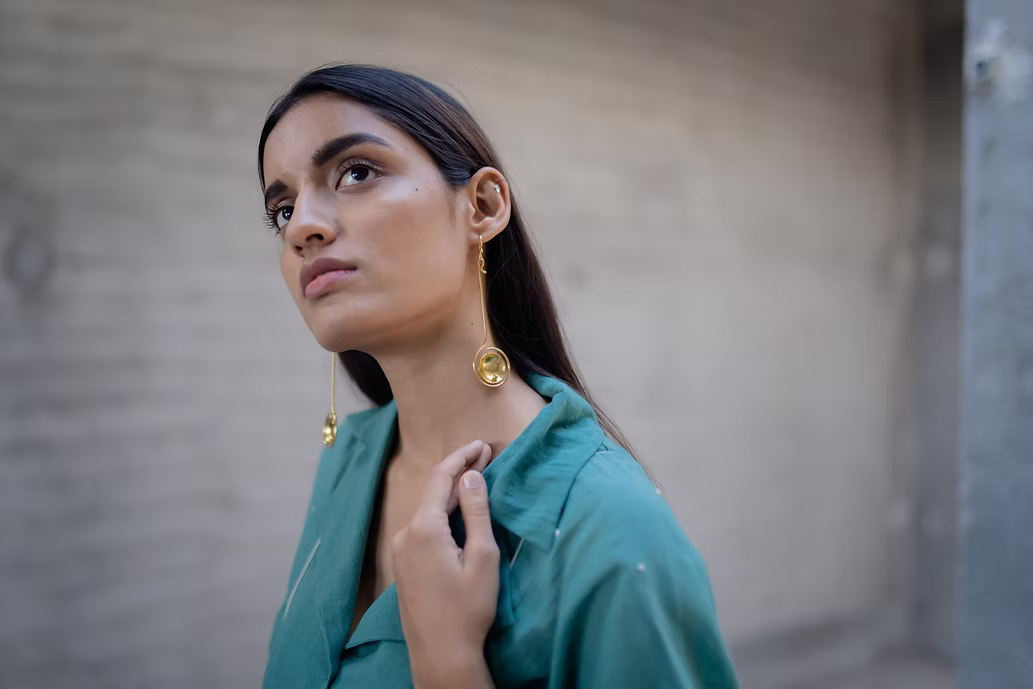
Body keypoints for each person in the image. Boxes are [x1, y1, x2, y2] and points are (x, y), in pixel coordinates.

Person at [257, 64, 739, 689]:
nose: (300, 228)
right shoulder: (346, 464)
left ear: (482, 206)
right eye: (283, 208)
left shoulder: (612, 533)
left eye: (355, 173)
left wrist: (451, 665)